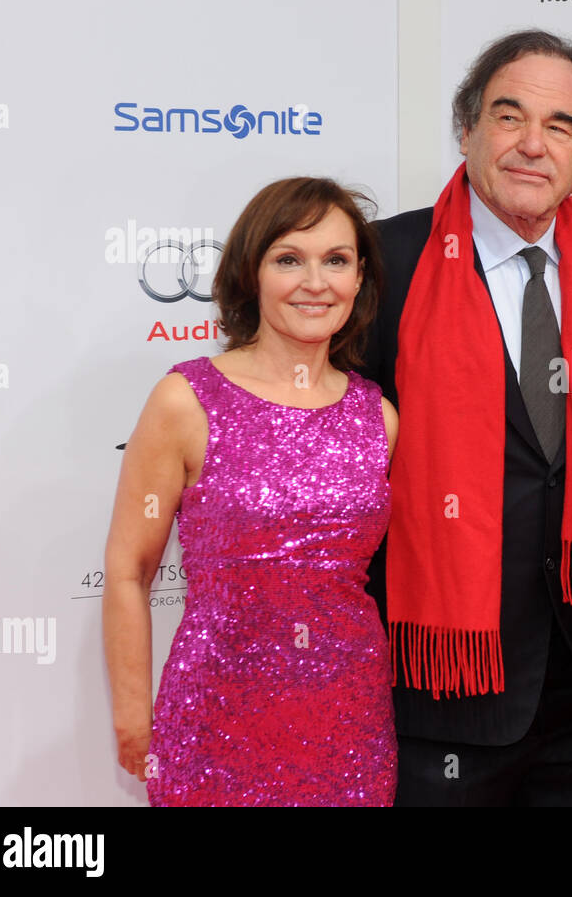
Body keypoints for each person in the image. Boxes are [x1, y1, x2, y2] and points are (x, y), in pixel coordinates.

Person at [361, 29, 572, 806]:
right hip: (442, 684)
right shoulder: (382, 264)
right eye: (508, 116)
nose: (533, 144)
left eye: (560, 125)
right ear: (465, 128)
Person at [103, 178, 398, 806]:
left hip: (349, 720)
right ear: (251, 272)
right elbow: (129, 570)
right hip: (215, 717)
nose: (315, 282)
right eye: (289, 258)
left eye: (336, 261)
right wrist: (134, 712)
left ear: (360, 279)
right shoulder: (186, 400)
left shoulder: (378, 416)